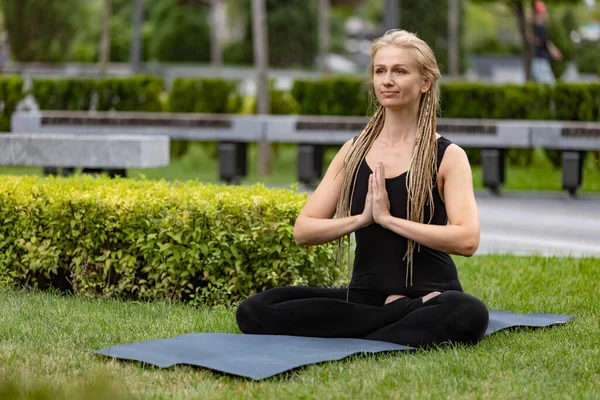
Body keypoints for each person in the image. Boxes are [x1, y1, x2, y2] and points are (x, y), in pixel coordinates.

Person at [236, 29, 489, 348]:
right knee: (254, 310)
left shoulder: (448, 156)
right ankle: (399, 315)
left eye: (400, 71)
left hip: (433, 295)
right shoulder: (353, 151)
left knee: (468, 313)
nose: (387, 80)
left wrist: (388, 220)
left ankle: (366, 324)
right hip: (364, 297)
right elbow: (303, 230)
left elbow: (467, 240)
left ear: (425, 82)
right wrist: (362, 219)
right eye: (380, 71)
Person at [531, 0, 563, 84]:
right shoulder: (539, 27)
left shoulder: (539, 28)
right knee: (549, 85)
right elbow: (546, 42)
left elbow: (545, 42)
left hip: (540, 60)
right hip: (540, 61)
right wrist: (554, 51)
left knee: (546, 85)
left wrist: (554, 51)